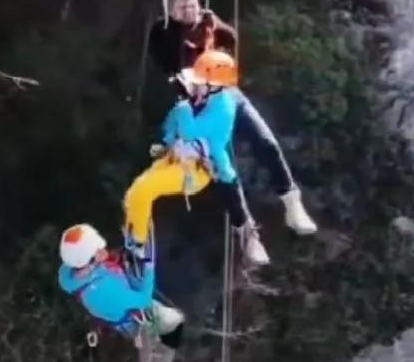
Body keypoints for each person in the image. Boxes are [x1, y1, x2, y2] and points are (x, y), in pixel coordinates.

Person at [124, 49, 318, 270]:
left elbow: (206, 142)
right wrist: (168, 140)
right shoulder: (192, 84)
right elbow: (172, 124)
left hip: (207, 135)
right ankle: (248, 234)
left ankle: (290, 201)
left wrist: (221, 170)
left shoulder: (221, 104)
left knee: (258, 149)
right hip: (186, 142)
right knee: (151, 186)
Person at [58, 223, 185, 362]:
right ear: (90, 260)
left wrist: (114, 254)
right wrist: (149, 267)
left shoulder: (68, 274)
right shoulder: (104, 289)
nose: (102, 250)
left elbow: (95, 265)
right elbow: (142, 299)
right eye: (97, 250)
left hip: (121, 294)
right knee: (172, 325)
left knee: (151, 337)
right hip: (132, 313)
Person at [147, 0, 236, 81]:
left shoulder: (206, 19)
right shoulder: (162, 29)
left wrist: (217, 27)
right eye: (182, 8)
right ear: (169, 11)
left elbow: (231, 40)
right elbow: (165, 63)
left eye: (193, 6)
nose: (189, 11)